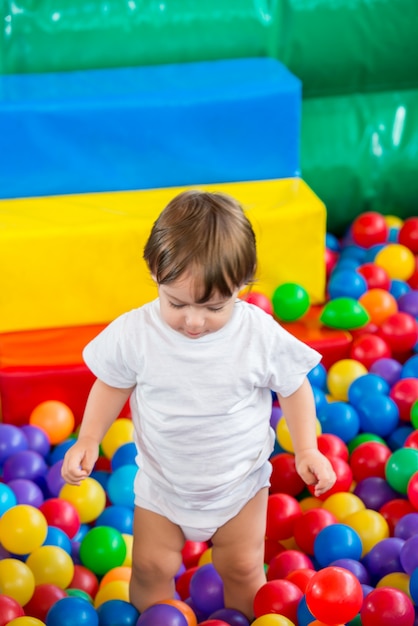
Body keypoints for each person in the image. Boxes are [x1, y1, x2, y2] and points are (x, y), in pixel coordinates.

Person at [61, 190, 336, 620]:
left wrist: (307, 449)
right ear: (154, 273)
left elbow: (294, 387)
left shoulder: (256, 334)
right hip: (163, 487)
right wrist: (89, 439)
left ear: (242, 284)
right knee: (151, 567)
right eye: (176, 303)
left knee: (242, 568)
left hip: (239, 486)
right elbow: (110, 383)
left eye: (213, 307)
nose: (193, 321)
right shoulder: (137, 333)